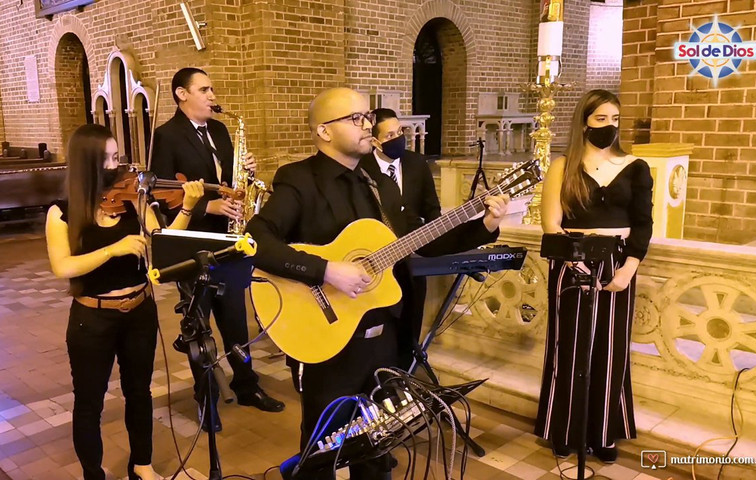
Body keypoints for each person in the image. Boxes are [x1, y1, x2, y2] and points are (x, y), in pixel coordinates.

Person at [246, 87, 510, 480]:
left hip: (385, 334)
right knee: (324, 444)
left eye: (367, 116)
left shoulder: (379, 183)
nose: (367, 124)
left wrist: (484, 223)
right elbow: (257, 241)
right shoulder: (299, 180)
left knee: (379, 440)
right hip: (330, 335)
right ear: (323, 131)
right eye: (355, 118)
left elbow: (421, 240)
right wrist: (326, 270)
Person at [45, 124, 204, 480]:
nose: (120, 167)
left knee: (140, 392)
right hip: (92, 318)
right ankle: (93, 473)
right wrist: (113, 249)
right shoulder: (62, 212)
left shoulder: (133, 200)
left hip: (139, 310)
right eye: (109, 159)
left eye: (118, 157)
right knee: (89, 401)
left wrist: (189, 206)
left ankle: (142, 465)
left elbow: (161, 242)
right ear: (87, 163)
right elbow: (63, 266)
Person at [149, 67, 285, 430]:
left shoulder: (221, 131)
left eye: (212, 89)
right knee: (199, 324)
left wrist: (247, 173)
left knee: (236, 319)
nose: (212, 96)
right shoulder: (166, 136)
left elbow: (230, 183)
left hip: (229, 239)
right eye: (204, 89)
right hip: (193, 241)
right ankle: (205, 395)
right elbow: (161, 193)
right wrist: (208, 206)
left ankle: (247, 385)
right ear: (181, 94)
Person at [535, 89, 653, 464]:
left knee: (610, 347)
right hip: (571, 261)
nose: (609, 126)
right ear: (584, 121)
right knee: (567, 346)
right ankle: (565, 428)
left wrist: (628, 269)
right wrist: (577, 262)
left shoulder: (635, 166)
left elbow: (643, 225)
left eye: (615, 119)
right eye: (601, 119)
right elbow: (551, 223)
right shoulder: (562, 166)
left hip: (619, 263)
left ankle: (603, 431)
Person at [359, 107, 442, 368]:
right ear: (374, 141)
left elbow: (432, 209)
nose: (398, 138)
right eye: (390, 134)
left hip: (412, 261)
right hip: (377, 264)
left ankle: (405, 375)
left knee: (411, 323)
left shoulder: (417, 163)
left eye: (400, 131)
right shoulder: (362, 169)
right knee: (381, 329)